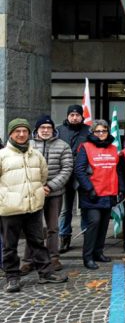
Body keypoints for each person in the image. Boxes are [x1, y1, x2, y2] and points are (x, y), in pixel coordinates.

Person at [1, 118, 67, 293]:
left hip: (33, 207)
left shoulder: (36, 155)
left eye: (24, 131)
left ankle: (45, 273)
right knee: (10, 245)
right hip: (10, 208)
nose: (21, 134)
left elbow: (43, 177)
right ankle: (12, 277)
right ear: (10, 134)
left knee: (37, 242)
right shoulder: (2, 155)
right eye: (17, 131)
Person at [21, 115, 72, 274]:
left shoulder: (63, 145)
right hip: (32, 192)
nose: (45, 130)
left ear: (53, 129)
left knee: (53, 228)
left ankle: (53, 257)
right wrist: (36, 187)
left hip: (54, 193)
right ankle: (29, 260)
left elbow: (67, 169)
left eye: (48, 128)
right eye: (42, 127)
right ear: (37, 129)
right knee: (32, 227)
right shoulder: (27, 145)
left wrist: (50, 186)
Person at [75, 120, 125, 270]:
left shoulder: (113, 148)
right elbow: (79, 170)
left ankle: (99, 252)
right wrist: (89, 188)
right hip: (92, 194)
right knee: (94, 223)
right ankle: (88, 257)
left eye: (104, 131)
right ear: (92, 132)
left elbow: (118, 170)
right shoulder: (85, 147)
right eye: (98, 131)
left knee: (104, 225)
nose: (101, 134)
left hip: (109, 192)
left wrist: (121, 189)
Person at [57, 104, 91, 254]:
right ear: (67, 116)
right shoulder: (59, 130)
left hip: (82, 175)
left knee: (85, 208)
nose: (74, 117)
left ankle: (87, 237)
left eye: (77, 115)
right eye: (72, 115)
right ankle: (64, 237)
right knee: (66, 209)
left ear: (82, 116)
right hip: (65, 175)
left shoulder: (88, 131)